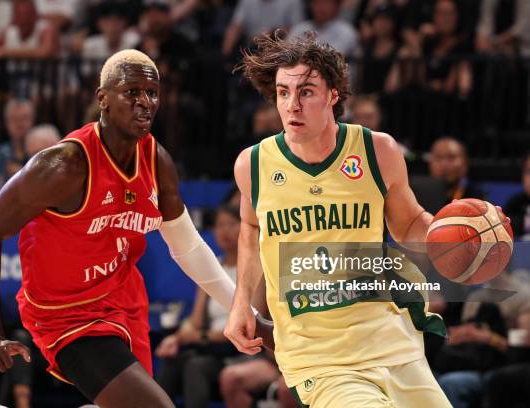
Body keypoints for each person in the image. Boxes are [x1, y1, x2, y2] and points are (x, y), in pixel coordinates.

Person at [0, 49, 268, 408]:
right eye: (132, 92)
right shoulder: (65, 165)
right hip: (64, 314)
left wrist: (247, 315)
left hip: (122, 301)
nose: (145, 102)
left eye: (152, 93)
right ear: (103, 99)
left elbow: (189, 249)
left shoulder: (157, 162)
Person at [224, 30, 452, 407]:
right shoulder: (254, 164)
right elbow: (251, 227)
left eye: (306, 92)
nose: (292, 105)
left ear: (333, 94)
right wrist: (241, 303)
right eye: (283, 93)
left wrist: (453, 234)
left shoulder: (376, 150)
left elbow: (409, 223)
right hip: (317, 355)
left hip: (390, 339)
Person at [156, 204, 241, 407]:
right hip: (211, 345)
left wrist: (199, 336)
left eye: (231, 224)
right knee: (172, 360)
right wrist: (176, 338)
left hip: (237, 348)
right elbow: (195, 320)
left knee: (196, 366)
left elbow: (252, 321)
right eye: (219, 225)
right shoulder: (213, 266)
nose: (224, 231)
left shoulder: (255, 269)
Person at [0, 99, 35, 192]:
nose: (20, 124)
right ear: (6, 123)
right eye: (14, 119)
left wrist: (20, 173)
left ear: (33, 120)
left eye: (24, 118)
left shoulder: (41, 148)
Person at [428, 136, 484, 202]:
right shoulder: (418, 197)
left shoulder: (477, 199)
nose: (444, 164)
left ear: (465, 163)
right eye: (438, 157)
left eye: (451, 157)